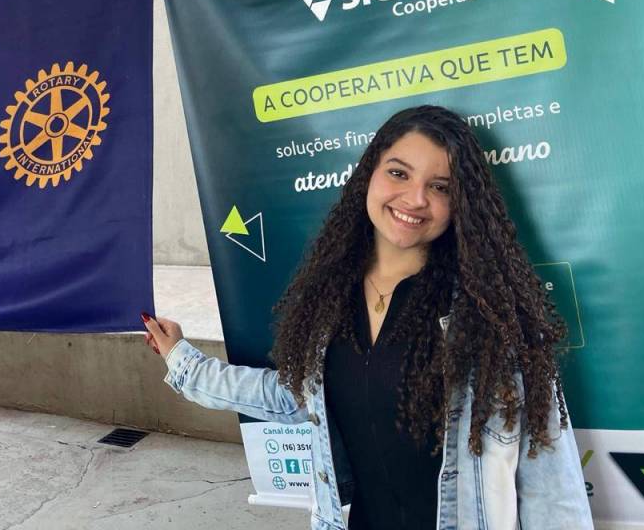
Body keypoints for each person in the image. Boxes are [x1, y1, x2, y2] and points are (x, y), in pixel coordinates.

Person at [142, 104, 593, 530]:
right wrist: (183, 360)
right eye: (399, 173)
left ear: (461, 203)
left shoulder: (489, 317)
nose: (415, 198)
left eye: (440, 187)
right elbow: (295, 396)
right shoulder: (332, 300)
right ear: (369, 175)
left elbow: (552, 486)